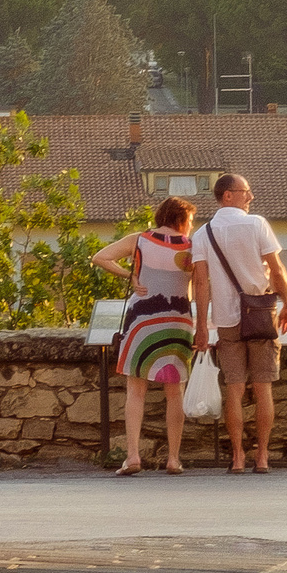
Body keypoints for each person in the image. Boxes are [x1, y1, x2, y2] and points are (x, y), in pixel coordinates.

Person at [191, 172, 287, 473]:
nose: (250, 197)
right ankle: (262, 455)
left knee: (234, 389)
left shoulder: (203, 234)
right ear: (228, 195)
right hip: (261, 313)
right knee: (263, 388)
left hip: (225, 319)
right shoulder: (256, 224)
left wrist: (201, 325)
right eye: (245, 191)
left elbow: (200, 283)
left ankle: (237, 456)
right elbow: (276, 270)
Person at [89, 197, 198, 475]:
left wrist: (131, 276)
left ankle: (133, 456)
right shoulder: (192, 247)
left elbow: (100, 257)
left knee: (136, 390)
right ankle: (173, 458)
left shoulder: (139, 240)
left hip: (142, 319)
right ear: (181, 219)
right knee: (175, 392)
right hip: (178, 320)